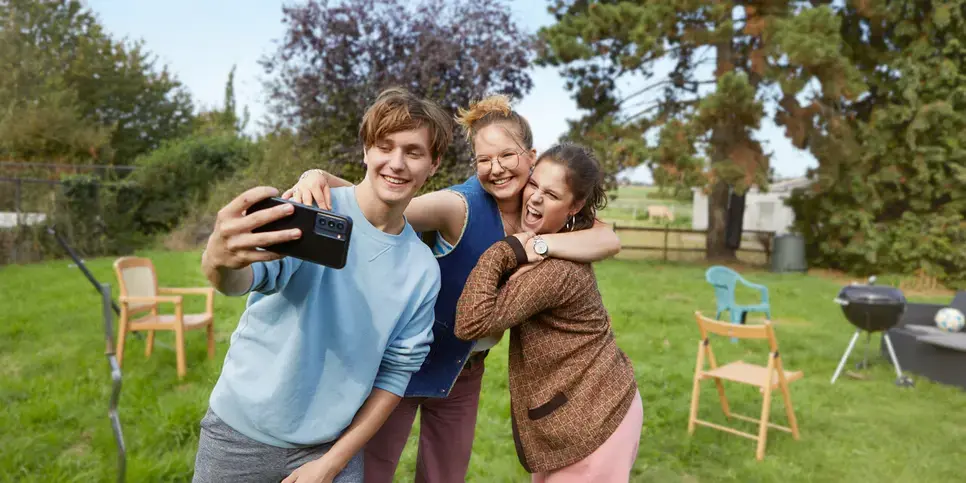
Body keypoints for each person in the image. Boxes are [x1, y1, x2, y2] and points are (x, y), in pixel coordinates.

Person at [282, 95, 622, 482]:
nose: (496, 169)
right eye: (483, 160)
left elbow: (608, 239)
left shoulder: (543, 208)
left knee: (445, 476)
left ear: (531, 156)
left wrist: (538, 244)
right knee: (372, 472)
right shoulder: (456, 206)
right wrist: (320, 178)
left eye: (507, 156)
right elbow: (380, 204)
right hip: (403, 365)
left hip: (464, 374)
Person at [191, 87, 452, 483]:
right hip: (239, 438)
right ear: (366, 151)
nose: (396, 163)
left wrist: (331, 464)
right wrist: (217, 260)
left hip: (331, 452)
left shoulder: (422, 269)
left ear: (433, 164)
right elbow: (243, 280)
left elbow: (394, 376)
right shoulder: (312, 210)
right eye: (385, 146)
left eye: (413, 152)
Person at [454, 143, 643, 482]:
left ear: (575, 206)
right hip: (577, 412)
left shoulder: (555, 271)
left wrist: (506, 249)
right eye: (534, 185)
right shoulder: (566, 240)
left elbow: (471, 322)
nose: (536, 198)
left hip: (594, 422)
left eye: (552, 194)